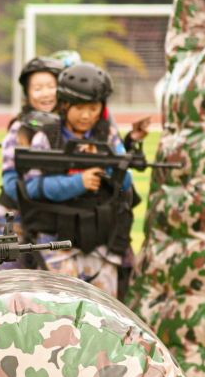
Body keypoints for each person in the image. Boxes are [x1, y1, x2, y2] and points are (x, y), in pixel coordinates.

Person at [7, 62, 138, 300]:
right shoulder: (46, 137)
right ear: (64, 104)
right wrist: (79, 181)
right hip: (56, 243)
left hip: (101, 243)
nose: (86, 115)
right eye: (79, 108)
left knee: (105, 315)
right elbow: (32, 188)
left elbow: (126, 183)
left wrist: (106, 162)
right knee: (59, 314)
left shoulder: (107, 135)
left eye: (93, 107)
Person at [0, 56, 66, 264]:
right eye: (37, 88)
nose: (46, 93)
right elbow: (9, 183)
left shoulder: (69, 125)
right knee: (10, 275)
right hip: (14, 215)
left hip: (48, 218)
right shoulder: (19, 128)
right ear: (27, 93)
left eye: (52, 86)